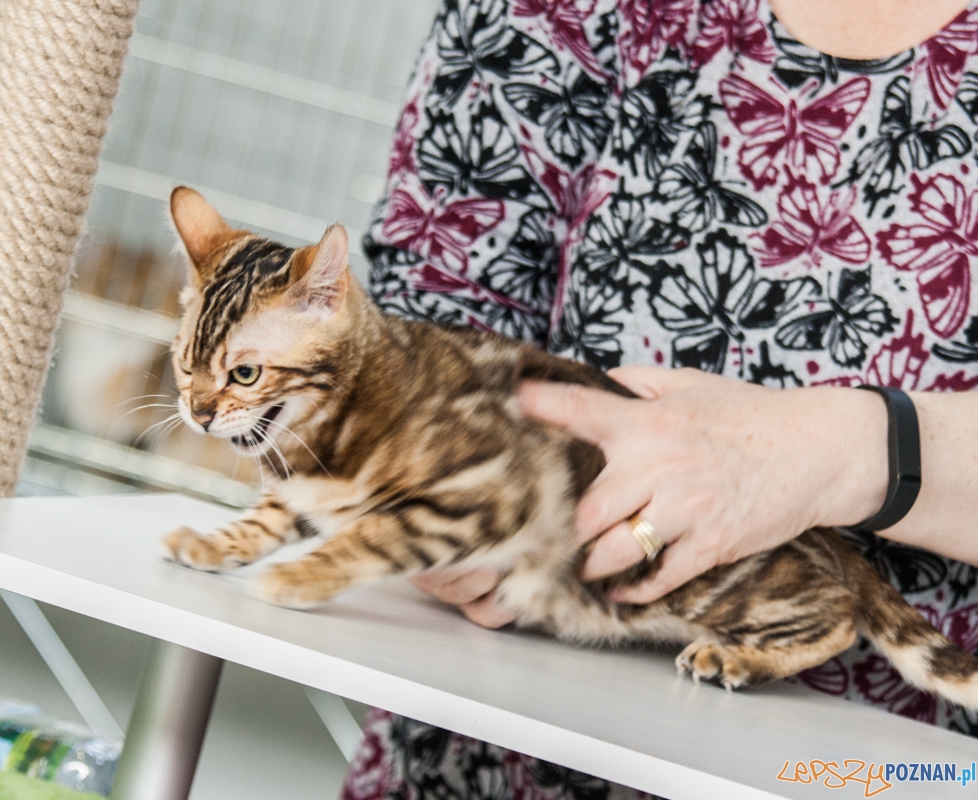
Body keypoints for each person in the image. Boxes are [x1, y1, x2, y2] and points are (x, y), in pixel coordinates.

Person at [339, 0, 978, 798]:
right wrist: (435, 492)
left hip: (883, 776)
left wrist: (852, 450)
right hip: (492, 752)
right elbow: (426, 325)